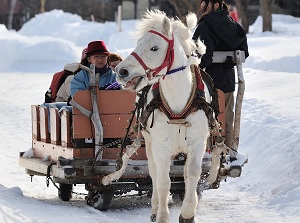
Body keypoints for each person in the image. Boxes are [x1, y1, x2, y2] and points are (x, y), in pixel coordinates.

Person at [192, 0, 249, 148]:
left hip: (205, 82)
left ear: (216, 5)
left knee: (201, 117)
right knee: (227, 117)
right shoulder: (233, 24)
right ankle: (228, 151)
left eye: (206, 3)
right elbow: (244, 53)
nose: (202, 7)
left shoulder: (205, 26)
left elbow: (202, 56)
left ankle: (206, 152)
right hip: (228, 80)